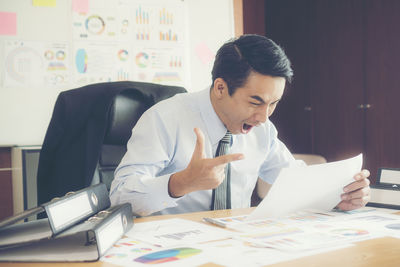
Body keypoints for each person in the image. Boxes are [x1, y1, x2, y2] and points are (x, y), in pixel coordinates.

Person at [110, 34, 370, 216]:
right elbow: (120, 197)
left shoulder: (262, 129)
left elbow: (295, 180)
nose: (263, 116)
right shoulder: (164, 119)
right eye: (255, 102)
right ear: (221, 87)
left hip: (236, 246)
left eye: (273, 103)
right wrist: (181, 183)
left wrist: (340, 196)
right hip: (171, 248)